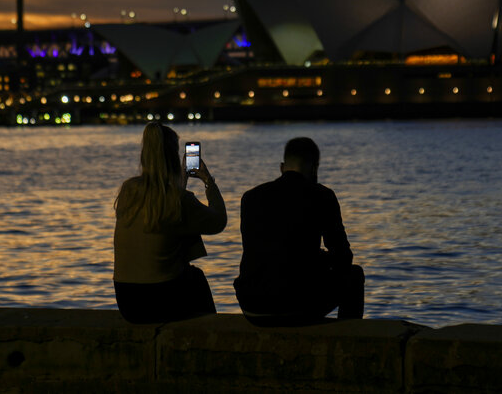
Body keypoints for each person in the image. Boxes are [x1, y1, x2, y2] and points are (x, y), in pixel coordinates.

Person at [234, 136, 364, 326]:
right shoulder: (322, 196)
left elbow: (262, 251)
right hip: (295, 305)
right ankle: (348, 337)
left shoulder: (250, 197)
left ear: (282, 167)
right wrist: (320, 259)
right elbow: (343, 257)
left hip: (252, 306)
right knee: (354, 275)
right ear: (314, 168)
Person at [113, 122, 226, 323]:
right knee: (196, 277)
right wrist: (208, 181)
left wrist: (182, 180)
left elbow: (164, 212)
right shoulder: (179, 200)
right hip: (160, 300)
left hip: (127, 301)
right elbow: (218, 221)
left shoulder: (128, 191)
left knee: (181, 229)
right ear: (173, 156)